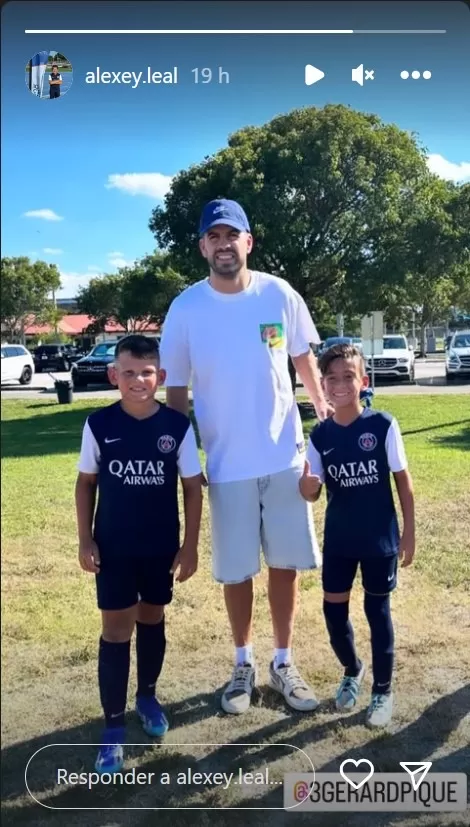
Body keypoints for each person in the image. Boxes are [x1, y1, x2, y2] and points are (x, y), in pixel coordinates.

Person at [160, 198, 333, 716]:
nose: (223, 244)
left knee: (285, 565)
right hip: (227, 466)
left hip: (284, 456)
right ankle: (243, 663)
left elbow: (302, 356)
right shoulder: (186, 308)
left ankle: (283, 662)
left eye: (231, 235)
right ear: (202, 247)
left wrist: (322, 412)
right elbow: (175, 390)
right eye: (213, 237)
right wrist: (184, 456)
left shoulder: (278, 294)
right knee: (237, 571)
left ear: (248, 241)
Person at [75, 335, 203, 772]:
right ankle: (113, 729)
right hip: (113, 546)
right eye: (128, 372)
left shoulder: (177, 426)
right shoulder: (99, 423)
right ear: (114, 375)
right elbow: (85, 483)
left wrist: (189, 545)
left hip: (159, 546)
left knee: (152, 617)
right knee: (116, 631)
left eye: (146, 372)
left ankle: (147, 696)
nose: (137, 380)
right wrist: (85, 539)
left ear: (160, 377)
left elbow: (191, 487)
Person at [300, 343, 415, 727]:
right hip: (340, 541)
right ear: (323, 386)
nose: (340, 384)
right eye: (331, 379)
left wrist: (408, 533)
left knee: (376, 611)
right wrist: (306, 485)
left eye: (348, 377)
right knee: (334, 612)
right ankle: (352, 669)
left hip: (379, 538)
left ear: (362, 381)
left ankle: (383, 690)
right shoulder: (320, 436)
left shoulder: (382, 424)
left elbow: (403, 481)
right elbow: (312, 492)